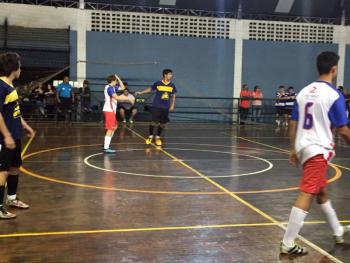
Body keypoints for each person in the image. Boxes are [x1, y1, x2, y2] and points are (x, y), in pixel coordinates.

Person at [280, 51, 350, 255]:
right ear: (334, 69)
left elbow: (293, 121)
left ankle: (337, 230)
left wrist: (293, 148)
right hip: (317, 150)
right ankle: (288, 242)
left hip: (304, 148)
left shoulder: (303, 92)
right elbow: (343, 129)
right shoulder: (333, 95)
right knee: (308, 192)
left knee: (321, 191)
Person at [0, 52, 35, 219]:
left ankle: (12, 199)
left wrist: (25, 126)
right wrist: (6, 135)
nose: (21, 69)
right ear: (14, 68)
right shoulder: (1, 86)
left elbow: (14, 111)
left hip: (15, 135)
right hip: (4, 137)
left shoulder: (10, 86)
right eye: (20, 66)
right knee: (2, 171)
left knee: (14, 168)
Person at [135, 69, 177, 146]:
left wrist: (172, 104)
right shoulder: (158, 83)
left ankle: (157, 137)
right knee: (153, 122)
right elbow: (150, 89)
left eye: (171, 74)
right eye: (170, 74)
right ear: (165, 75)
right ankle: (150, 137)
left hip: (165, 107)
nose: (171, 76)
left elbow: (174, 95)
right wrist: (141, 92)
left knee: (163, 124)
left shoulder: (172, 85)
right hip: (156, 106)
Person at [102, 74, 129, 153]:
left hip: (110, 110)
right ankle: (106, 147)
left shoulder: (112, 87)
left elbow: (123, 87)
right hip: (109, 110)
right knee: (110, 128)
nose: (117, 82)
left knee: (114, 127)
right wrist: (126, 98)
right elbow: (116, 97)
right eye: (116, 80)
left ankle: (106, 144)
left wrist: (118, 78)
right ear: (113, 81)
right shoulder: (110, 88)